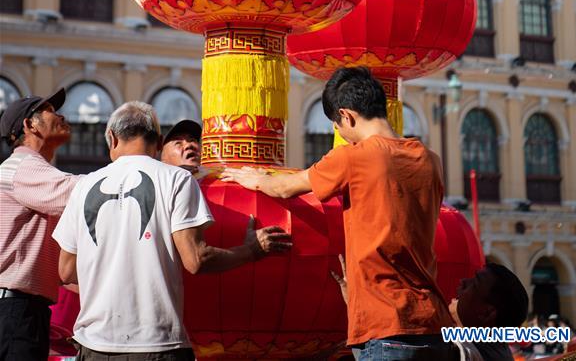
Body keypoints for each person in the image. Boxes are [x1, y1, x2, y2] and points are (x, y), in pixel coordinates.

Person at [223, 67, 457, 360]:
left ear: (346, 116)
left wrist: (254, 177)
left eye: (337, 125)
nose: (340, 133)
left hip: (385, 325)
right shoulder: (429, 159)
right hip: (433, 324)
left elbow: (285, 188)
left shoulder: (354, 156)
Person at [53, 101, 292, 361]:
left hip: (94, 345)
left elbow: (66, 271)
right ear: (158, 142)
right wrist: (252, 250)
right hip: (157, 345)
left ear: (112, 138)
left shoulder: (84, 186)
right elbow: (196, 260)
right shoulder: (176, 179)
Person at [0, 88, 79, 361]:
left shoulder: (28, 171)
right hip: (15, 310)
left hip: (19, 309)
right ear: (29, 124)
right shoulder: (23, 167)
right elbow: (79, 192)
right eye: (50, 111)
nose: (61, 116)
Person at [451, 263, 529, 360]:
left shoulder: (458, 352)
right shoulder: (496, 350)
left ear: (487, 313)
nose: (463, 282)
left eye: (474, 284)